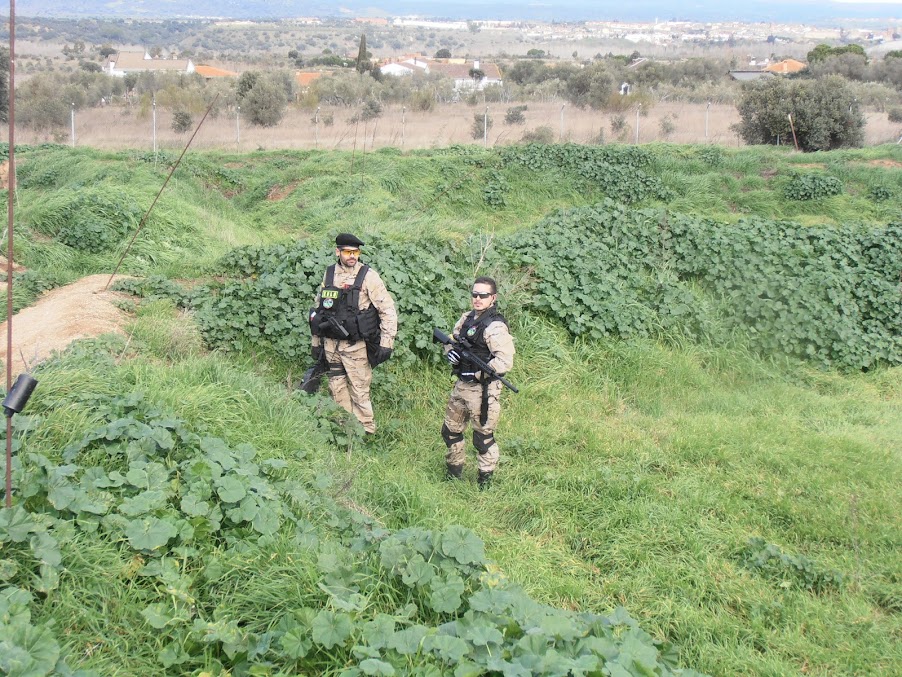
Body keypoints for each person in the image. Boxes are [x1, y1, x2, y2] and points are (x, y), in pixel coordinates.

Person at [309, 233, 397, 434]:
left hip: (355, 345)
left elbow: (388, 310)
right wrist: (316, 342)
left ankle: (366, 432)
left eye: (356, 252)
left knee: (359, 390)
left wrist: (387, 342)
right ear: (337, 251)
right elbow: (319, 311)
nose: (353, 256)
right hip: (331, 345)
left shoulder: (368, 276)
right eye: (348, 252)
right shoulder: (329, 274)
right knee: (336, 387)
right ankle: (345, 429)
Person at [441, 276, 515, 489]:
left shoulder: (495, 326)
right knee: (450, 431)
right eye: (475, 294)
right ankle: (454, 475)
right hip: (461, 387)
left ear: (493, 297)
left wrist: (478, 374)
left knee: (483, 438)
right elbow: (451, 341)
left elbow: (504, 361)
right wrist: (452, 353)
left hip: (483, 391)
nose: (478, 299)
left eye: (483, 295)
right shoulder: (466, 319)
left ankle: (485, 482)